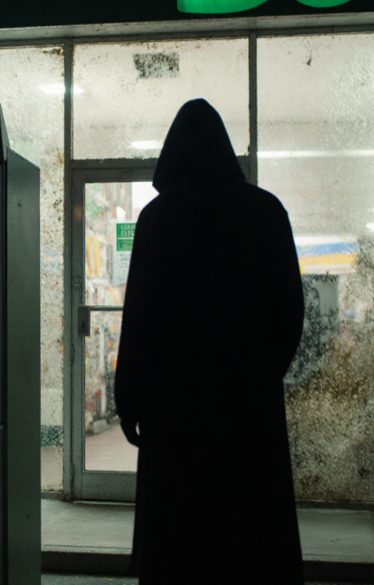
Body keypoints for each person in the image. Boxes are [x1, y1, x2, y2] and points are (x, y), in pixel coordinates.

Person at [114, 99, 305, 584]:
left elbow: (141, 318)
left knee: (179, 543)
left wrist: (130, 398)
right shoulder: (266, 212)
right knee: (250, 538)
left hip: (176, 411)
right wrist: (261, 373)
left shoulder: (158, 219)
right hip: (248, 411)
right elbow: (291, 311)